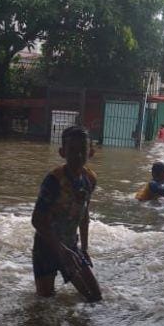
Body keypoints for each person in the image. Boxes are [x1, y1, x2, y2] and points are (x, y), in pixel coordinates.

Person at [32, 126, 102, 302]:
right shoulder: (54, 180)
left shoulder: (90, 179)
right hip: (46, 247)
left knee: (95, 297)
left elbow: (84, 214)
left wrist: (84, 249)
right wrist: (60, 249)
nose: (78, 155)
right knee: (44, 303)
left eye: (82, 150)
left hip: (70, 247)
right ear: (63, 152)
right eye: (72, 150)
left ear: (91, 152)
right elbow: (37, 220)